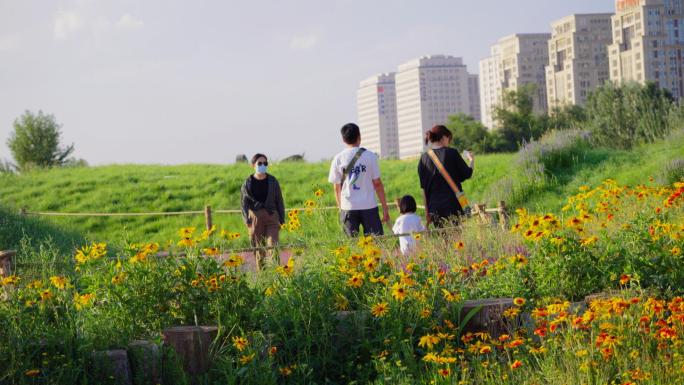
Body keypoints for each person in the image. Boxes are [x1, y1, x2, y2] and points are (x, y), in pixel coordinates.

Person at [328, 123, 390, 236]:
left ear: (343, 139)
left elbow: (337, 187)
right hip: (369, 206)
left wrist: (340, 208)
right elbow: (377, 184)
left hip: (348, 207)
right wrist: (385, 209)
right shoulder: (370, 156)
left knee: (352, 248)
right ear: (359, 137)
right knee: (375, 244)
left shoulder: (338, 159)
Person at [418, 125, 474, 227]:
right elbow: (467, 174)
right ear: (444, 137)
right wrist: (471, 160)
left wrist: (427, 212)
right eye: (449, 139)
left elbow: (424, 189)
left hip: (435, 208)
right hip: (453, 205)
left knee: (443, 238)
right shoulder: (452, 153)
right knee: (457, 239)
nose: (449, 142)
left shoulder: (423, 158)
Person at [240, 153, 285, 270]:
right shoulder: (247, 183)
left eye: (265, 163)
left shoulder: (273, 181)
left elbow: (279, 200)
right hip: (255, 219)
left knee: (273, 246)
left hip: (272, 217)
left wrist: (282, 219)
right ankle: (263, 277)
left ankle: (277, 274)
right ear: (253, 165)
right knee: (259, 249)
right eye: (260, 163)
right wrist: (247, 220)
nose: (263, 165)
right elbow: (244, 202)